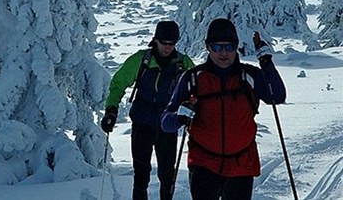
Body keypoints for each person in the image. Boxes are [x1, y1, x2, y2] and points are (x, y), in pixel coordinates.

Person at [161, 18, 287, 200]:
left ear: (236, 47)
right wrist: (181, 115)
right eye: (217, 47)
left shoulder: (249, 76)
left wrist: (266, 62)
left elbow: (277, 95)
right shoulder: (193, 79)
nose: (223, 53)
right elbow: (166, 123)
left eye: (229, 47)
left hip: (241, 164)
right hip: (203, 163)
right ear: (208, 47)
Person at [101, 20, 195, 200]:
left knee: (167, 175)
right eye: (164, 43)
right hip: (142, 124)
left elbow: (197, 89)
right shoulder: (141, 60)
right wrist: (111, 110)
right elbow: (118, 83)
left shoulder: (183, 64)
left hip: (167, 125)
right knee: (141, 174)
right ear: (155, 40)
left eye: (172, 44)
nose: (168, 47)